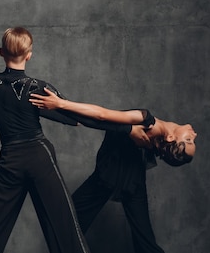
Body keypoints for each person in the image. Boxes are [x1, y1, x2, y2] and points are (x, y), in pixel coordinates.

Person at [0, 27, 154, 253]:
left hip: (9, 160)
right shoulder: (37, 88)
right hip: (38, 158)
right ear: (29, 54)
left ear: (1, 52)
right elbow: (79, 118)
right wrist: (128, 128)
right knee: (65, 226)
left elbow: (13, 102)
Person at [28, 88, 197, 253]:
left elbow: (101, 116)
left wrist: (61, 104)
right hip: (129, 180)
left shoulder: (145, 120)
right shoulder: (155, 140)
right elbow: (103, 120)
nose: (194, 135)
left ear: (170, 138)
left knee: (69, 220)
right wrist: (129, 130)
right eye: (190, 140)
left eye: (189, 140)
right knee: (144, 241)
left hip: (113, 177)